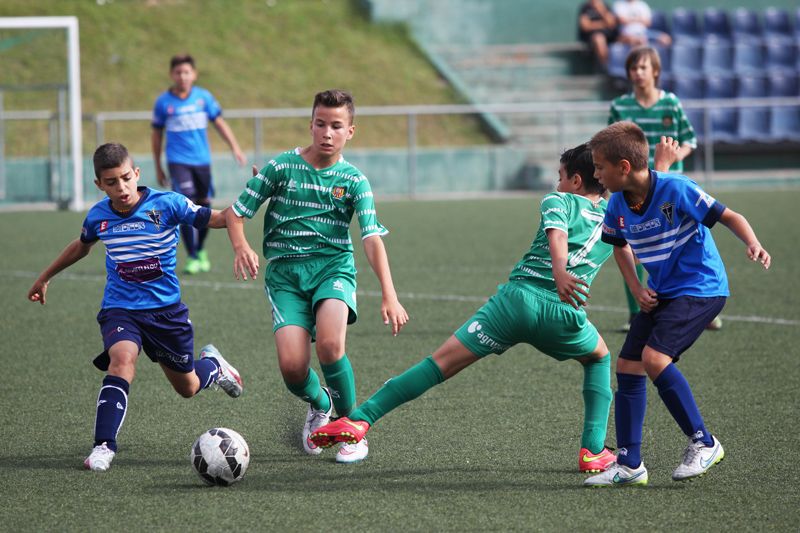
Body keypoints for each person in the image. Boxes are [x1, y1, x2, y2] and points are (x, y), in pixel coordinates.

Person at [310, 143, 634, 474]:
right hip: (564, 316)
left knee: (437, 365)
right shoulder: (615, 216)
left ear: (576, 180)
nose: (558, 183)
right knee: (599, 357)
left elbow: (558, 236)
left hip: (515, 303)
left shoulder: (558, 200)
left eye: (561, 176)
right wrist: (638, 289)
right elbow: (630, 246)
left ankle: (360, 419)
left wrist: (559, 269)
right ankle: (593, 449)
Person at [27, 142, 244, 472]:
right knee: (122, 359)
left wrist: (254, 197)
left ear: (137, 173)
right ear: (99, 184)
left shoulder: (167, 204)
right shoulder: (99, 216)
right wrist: (45, 277)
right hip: (120, 309)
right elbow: (82, 245)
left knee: (187, 387)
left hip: (166, 312)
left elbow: (217, 218)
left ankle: (213, 366)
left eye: (126, 178)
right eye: (111, 182)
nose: (121, 187)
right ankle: (103, 446)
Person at [225, 89, 408, 464]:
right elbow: (236, 212)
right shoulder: (281, 167)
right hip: (285, 277)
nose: (327, 132)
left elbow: (371, 238)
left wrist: (389, 293)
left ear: (350, 131)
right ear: (310, 124)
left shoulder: (354, 180)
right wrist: (241, 246)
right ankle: (321, 402)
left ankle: (351, 426)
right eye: (321, 124)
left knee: (329, 345)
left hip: (332, 269)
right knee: (293, 368)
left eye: (336, 126)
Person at [584, 123, 771, 487]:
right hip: (661, 292)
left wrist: (753, 242)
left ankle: (704, 442)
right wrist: (636, 288)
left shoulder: (677, 188)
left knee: (654, 359)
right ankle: (630, 464)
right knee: (628, 366)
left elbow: (729, 216)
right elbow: (619, 246)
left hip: (701, 287)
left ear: (624, 167)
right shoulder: (617, 203)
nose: (596, 174)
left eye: (600, 167)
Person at [607, 45, 718, 331]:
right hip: (634, 189)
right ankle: (636, 311)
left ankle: (702, 302)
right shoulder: (620, 106)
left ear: (655, 71)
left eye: (643, 67)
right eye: (633, 68)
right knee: (634, 246)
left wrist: (671, 160)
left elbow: (689, 140)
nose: (638, 72)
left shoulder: (670, 103)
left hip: (669, 188)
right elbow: (609, 147)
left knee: (686, 243)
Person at [151, 53, 246, 275]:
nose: (182, 76)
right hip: (177, 162)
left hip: (202, 162)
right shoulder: (163, 103)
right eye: (178, 72)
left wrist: (235, 147)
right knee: (185, 204)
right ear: (171, 75)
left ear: (194, 74)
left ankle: (200, 249)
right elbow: (156, 135)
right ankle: (192, 256)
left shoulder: (203, 98)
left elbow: (219, 123)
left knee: (204, 204)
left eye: (186, 72)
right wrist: (158, 165)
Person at [578, 0, 619, 67]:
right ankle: (604, 66)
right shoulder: (585, 8)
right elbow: (585, 26)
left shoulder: (605, 6)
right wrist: (603, 24)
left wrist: (601, 10)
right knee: (599, 38)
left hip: (609, 36)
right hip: (591, 37)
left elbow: (611, 23)